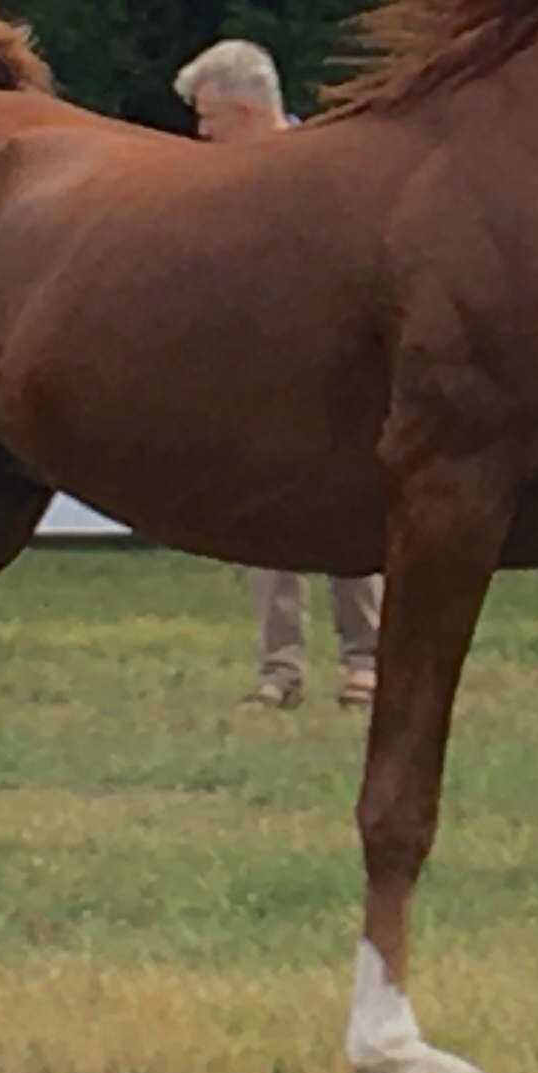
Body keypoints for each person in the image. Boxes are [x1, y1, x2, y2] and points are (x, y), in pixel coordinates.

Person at [174, 37, 382, 713]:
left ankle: (366, 663)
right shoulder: (214, 188)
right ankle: (280, 670)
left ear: (242, 109)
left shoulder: (328, 166)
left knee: (354, 521)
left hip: (338, 380)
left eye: (207, 118)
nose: (199, 133)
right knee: (270, 531)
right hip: (259, 383)